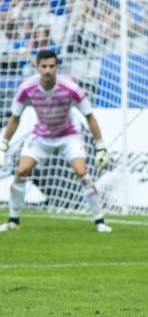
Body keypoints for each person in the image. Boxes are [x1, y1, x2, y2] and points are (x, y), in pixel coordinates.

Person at [0, 50, 112, 233]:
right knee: (21, 171)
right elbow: (15, 117)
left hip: (69, 134)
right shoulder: (26, 88)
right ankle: (13, 220)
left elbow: (89, 116)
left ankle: (100, 221)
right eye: (43, 66)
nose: (47, 71)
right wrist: (3, 146)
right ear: (37, 67)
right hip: (41, 135)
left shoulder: (70, 87)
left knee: (81, 172)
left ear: (56, 67)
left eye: (51, 66)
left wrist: (100, 147)